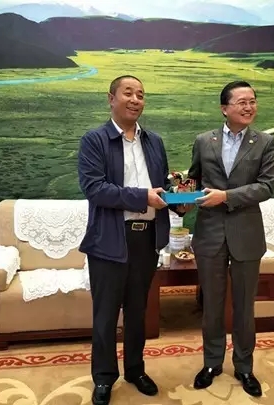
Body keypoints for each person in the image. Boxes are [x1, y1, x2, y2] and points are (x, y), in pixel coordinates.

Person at [78, 75, 184, 405]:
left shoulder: (154, 141)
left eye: (141, 94)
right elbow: (95, 189)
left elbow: (162, 185)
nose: (135, 99)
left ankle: (135, 370)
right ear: (111, 98)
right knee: (106, 314)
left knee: (138, 311)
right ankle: (104, 378)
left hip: (146, 239)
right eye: (128, 93)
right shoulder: (95, 140)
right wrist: (142, 197)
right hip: (109, 240)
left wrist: (179, 198)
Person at [186, 80, 274, 397]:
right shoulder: (203, 141)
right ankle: (212, 364)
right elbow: (194, 179)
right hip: (210, 234)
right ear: (224, 108)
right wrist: (181, 197)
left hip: (246, 235)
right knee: (211, 306)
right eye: (242, 102)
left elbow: (266, 187)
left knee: (244, 307)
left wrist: (226, 196)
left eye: (252, 101)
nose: (249, 107)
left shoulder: (265, 142)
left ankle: (244, 367)